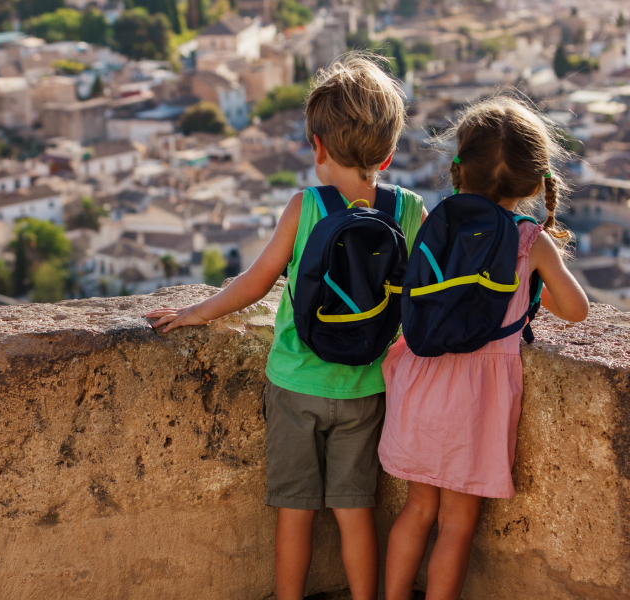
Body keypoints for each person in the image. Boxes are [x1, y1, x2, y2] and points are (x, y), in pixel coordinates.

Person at [146, 53, 423, 600]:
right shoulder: (409, 209)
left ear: (315, 145)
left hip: (296, 382)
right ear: (389, 155)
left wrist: (196, 312)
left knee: (294, 512)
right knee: (354, 512)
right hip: (367, 386)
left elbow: (256, 282)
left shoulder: (307, 206)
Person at [379, 96, 590, 600]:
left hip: (421, 381)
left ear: (459, 170)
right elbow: (576, 309)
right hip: (476, 399)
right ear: (536, 184)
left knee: (418, 509)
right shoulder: (529, 241)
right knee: (456, 524)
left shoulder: (439, 222)